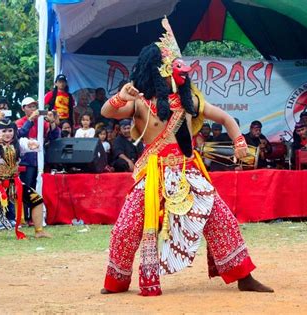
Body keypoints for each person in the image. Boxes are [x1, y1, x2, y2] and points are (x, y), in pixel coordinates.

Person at [100, 17, 273, 296]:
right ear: (156, 71)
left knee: (221, 219)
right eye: (169, 68)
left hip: (187, 170)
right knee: (127, 226)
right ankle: (116, 282)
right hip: (152, 171)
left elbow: (227, 118)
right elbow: (107, 113)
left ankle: (244, 276)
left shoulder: (190, 101)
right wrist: (120, 95)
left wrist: (239, 140)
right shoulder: (141, 103)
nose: (175, 74)